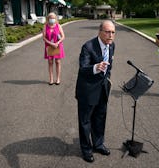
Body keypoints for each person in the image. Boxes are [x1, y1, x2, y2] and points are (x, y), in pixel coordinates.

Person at [75, 20, 116, 163]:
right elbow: (83, 68)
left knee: (100, 117)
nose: (110, 35)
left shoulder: (112, 46)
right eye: (107, 32)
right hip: (87, 90)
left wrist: (107, 79)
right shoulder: (88, 47)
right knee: (85, 121)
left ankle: (98, 144)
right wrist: (96, 67)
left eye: (113, 32)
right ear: (100, 32)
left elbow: (109, 66)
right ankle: (86, 150)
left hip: (103, 88)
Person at [42, 12, 65, 85]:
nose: (52, 19)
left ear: (55, 18)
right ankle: (51, 79)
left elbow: (63, 36)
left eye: (53, 18)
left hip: (57, 46)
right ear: (48, 19)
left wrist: (57, 43)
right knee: (50, 62)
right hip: (49, 46)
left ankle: (58, 78)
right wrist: (51, 43)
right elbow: (44, 38)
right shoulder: (45, 26)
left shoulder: (58, 26)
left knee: (57, 62)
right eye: (50, 18)